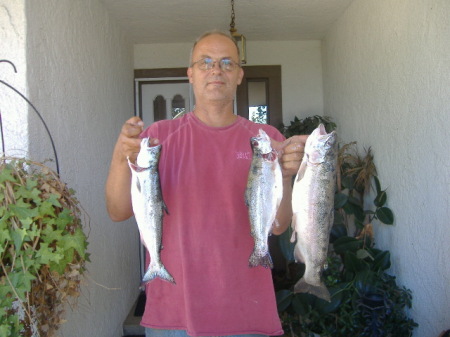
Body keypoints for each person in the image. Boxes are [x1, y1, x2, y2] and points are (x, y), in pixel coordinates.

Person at [105, 30, 308, 337]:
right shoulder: (159, 137)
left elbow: (278, 226)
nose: (216, 70)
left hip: (247, 312)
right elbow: (117, 211)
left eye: (227, 63)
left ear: (239, 75)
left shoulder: (265, 139)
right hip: (174, 312)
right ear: (191, 74)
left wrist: (288, 175)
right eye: (206, 62)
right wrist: (122, 155)